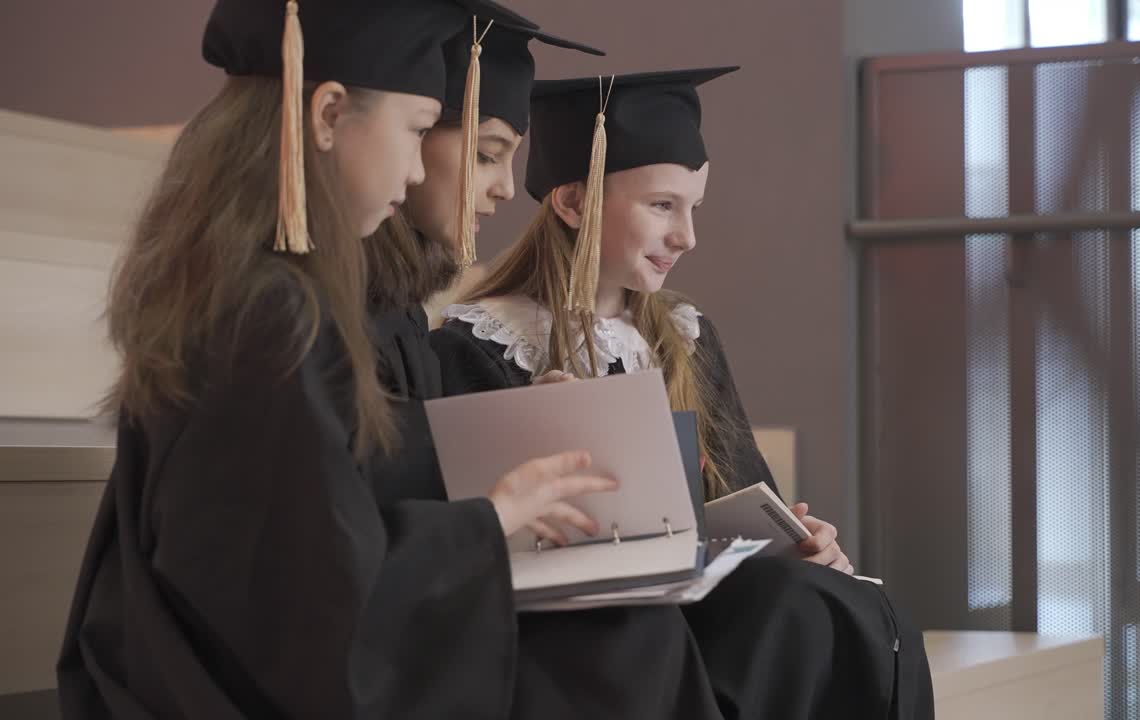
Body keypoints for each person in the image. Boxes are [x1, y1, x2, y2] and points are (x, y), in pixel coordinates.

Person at [54, 2, 654, 717]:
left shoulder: (261, 288)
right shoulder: (270, 313)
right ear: (329, 115)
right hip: (229, 687)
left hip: (241, 660)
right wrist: (487, 524)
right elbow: (304, 600)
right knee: (620, 647)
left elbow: (323, 508)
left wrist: (505, 440)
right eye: (414, 129)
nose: (413, 164)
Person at [429, 66, 937, 718]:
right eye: (662, 205)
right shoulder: (479, 344)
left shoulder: (685, 336)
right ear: (574, 202)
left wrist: (804, 539)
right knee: (793, 612)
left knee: (852, 605)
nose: (686, 236)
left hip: (705, 610)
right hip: (585, 637)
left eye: (694, 207)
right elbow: (484, 541)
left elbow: (745, 498)